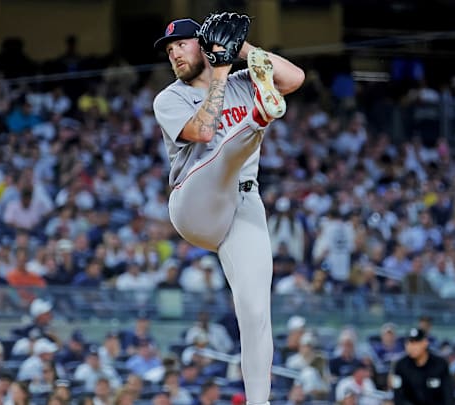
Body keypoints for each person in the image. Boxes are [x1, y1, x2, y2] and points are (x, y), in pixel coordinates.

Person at [152, 13, 304, 405]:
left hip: (244, 202)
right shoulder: (169, 98)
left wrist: (243, 49)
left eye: (181, 45)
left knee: (255, 311)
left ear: (202, 44)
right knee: (220, 154)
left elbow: (293, 79)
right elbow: (203, 132)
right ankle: (259, 120)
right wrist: (220, 72)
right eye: (169, 50)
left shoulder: (242, 79)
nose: (174, 55)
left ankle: (260, 402)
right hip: (195, 202)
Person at [391, 327, 454, 404]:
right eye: (409, 343)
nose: (411, 347)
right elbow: (398, 396)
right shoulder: (401, 365)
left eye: (416, 343)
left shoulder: (440, 364)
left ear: (425, 343)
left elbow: (448, 394)